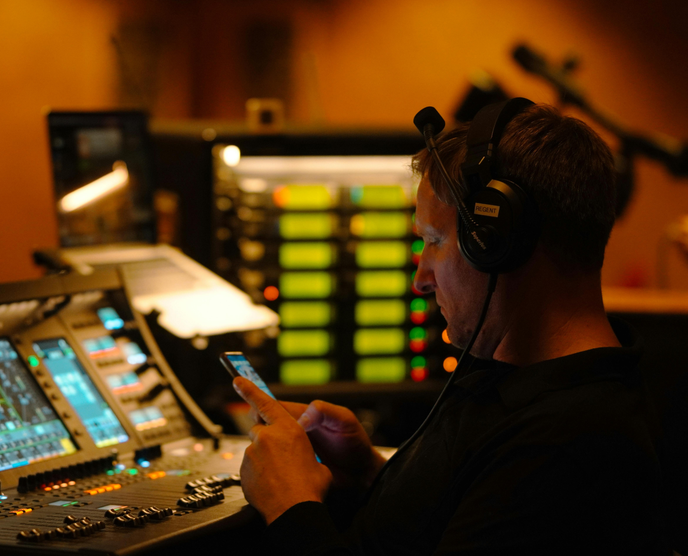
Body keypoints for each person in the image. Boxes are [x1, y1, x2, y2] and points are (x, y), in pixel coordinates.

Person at [233, 103, 668, 554]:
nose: (421, 278)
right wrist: (371, 476)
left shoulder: (570, 445)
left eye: (435, 241)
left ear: (497, 242)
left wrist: (291, 505)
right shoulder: (516, 382)